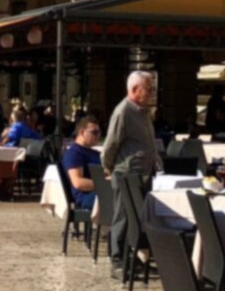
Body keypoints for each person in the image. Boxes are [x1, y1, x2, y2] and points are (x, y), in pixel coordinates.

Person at [102, 70, 162, 264]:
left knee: (137, 217)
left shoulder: (143, 113)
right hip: (128, 173)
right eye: (149, 88)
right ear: (136, 90)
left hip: (143, 173)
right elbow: (111, 144)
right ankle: (117, 257)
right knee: (123, 215)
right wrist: (109, 167)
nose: (152, 92)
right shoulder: (124, 111)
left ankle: (130, 252)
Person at [62, 116, 102, 211]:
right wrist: (105, 185)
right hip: (87, 197)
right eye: (94, 132)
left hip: (99, 192)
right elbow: (78, 183)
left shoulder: (94, 152)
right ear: (81, 132)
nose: (98, 135)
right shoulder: (75, 153)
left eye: (99, 132)